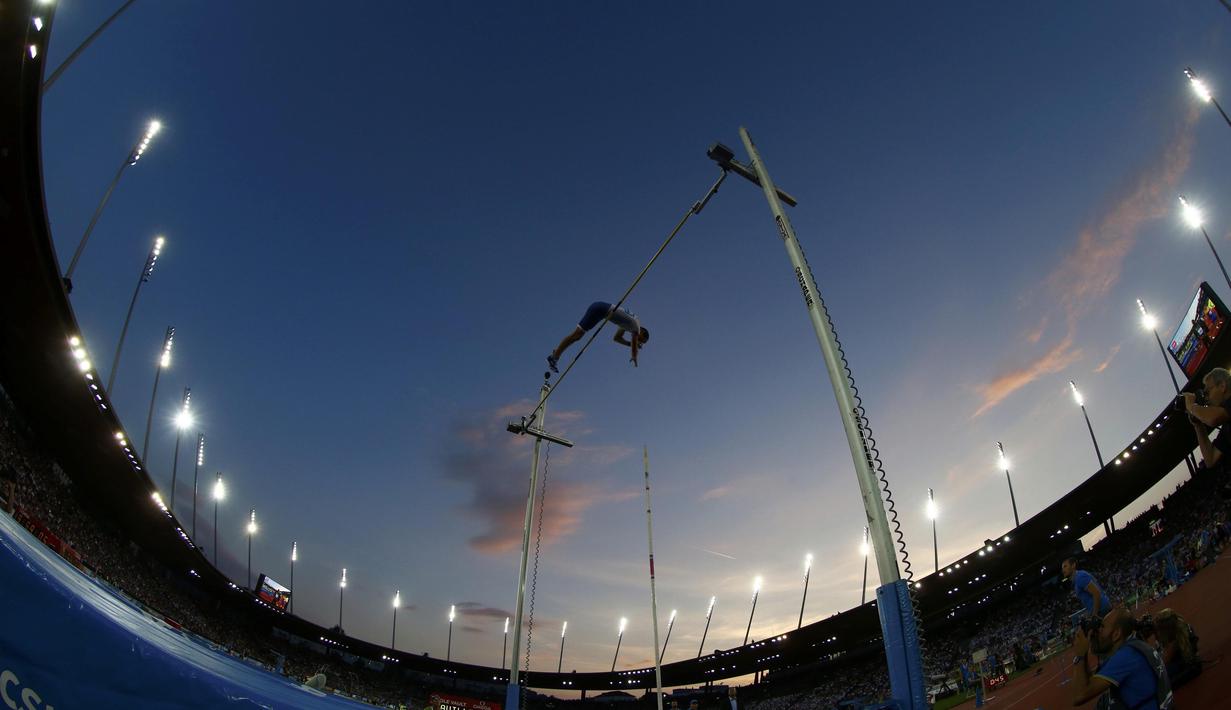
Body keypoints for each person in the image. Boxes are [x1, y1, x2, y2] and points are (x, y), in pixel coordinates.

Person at [1070, 607, 1172, 709]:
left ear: (1116, 634)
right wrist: (1085, 654)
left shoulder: (1126, 656)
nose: (1098, 631)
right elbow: (1090, 679)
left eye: (1102, 627)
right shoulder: (1133, 647)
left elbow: (1079, 696)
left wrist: (1079, 655)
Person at [548, 301, 649, 372]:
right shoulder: (636, 328)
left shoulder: (629, 324)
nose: (639, 341)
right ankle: (554, 356)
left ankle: (556, 354)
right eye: (641, 340)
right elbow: (634, 348)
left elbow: (616, 338)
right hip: (600, 310)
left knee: (577, 336)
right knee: (577, 335)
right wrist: (634, 356)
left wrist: (630, 344)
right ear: (642, 332)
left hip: (600, 311)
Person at [1185, 367, 1231, 470]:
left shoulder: (1224, 412)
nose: (1206, 398)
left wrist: (1191, 406)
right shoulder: (1227, 426)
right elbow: (1210, 459)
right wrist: (1198, 425)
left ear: (1222, 386)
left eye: (1207, 392)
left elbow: (1213, 419)